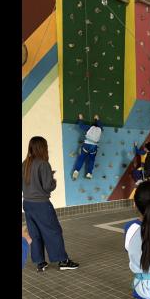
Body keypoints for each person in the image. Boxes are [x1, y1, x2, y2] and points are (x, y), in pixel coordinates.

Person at [23, 136, 79, 272]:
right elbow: (48, 186)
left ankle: (40, 263)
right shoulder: (43, 164)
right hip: (41, 204)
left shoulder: (25, 164)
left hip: (28, 204)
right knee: (53, 231)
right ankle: (63, 261)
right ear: (43, 147)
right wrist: (53, 180)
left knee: (35, 233)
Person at [72, 114, 103, 180]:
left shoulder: (90, 128)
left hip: (87, 145)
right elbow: (99, 123)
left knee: (81, 158)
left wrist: (80, 118)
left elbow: (81, 126)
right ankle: (89, 173)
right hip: (94, 147)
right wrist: (97, 118)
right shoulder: (100, 129)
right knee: (91, 160)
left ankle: (76, 171)